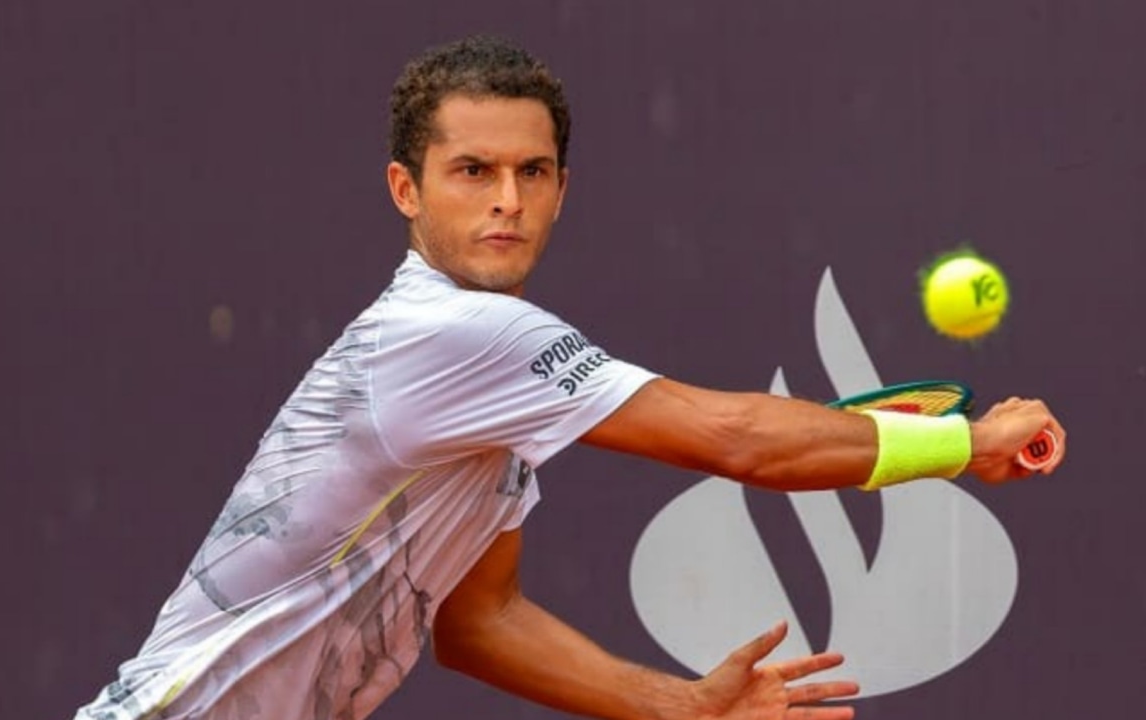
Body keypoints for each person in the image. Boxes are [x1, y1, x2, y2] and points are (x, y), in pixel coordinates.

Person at [72, 35, 1066, 720]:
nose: (508, 202)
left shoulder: (482, 394)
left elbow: (478, 622)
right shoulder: (458, 335)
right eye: (473, 172)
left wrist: (678, 706)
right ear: (405, 190)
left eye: (532, 173)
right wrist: (960, 447)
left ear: (559, 187)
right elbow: (735, 439)